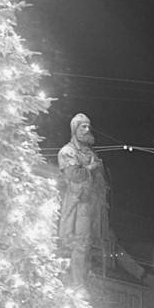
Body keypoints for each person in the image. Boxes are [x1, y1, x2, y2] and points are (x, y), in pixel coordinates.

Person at [57, 113, 107, 290]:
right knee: (80, 244)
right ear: (74, 129)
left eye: (88, 126)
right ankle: (78, 285)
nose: (87, 130)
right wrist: (91, 168)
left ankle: (85, 279)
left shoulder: (90, 153)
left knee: (89, 245)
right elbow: (74, 175)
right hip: (79, 204)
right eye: (83, 127)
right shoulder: (68, 151)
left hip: (93, 203)